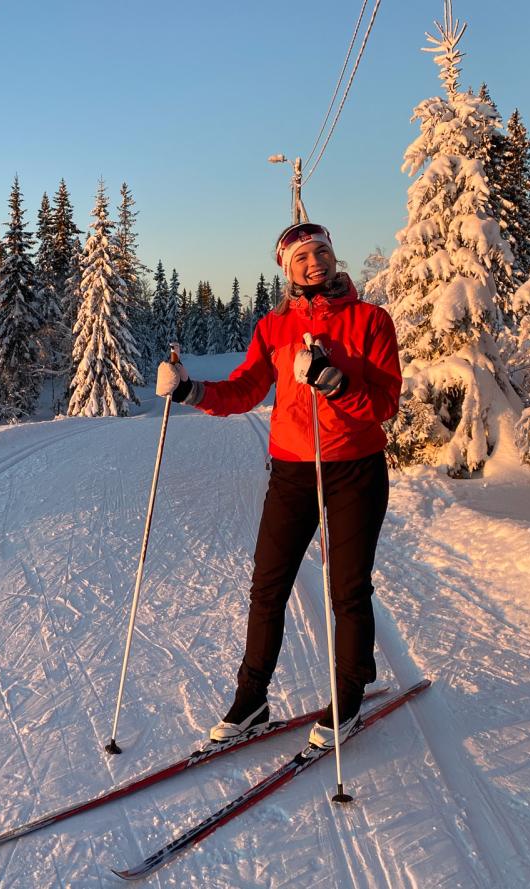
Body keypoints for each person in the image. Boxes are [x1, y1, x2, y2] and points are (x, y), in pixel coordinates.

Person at [156, 222, 402, 748]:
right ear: (287, 270)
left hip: (355, 469)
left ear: (335, 258)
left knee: (348, 591)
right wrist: (191, 390)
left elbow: (384, 405)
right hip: (292, 470)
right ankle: (252, 700)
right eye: (302, 258)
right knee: (268, 587)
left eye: (322, 252)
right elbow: (246, 389)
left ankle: (350, 694)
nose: (315, 263)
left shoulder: (370, 320)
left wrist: (337, 384)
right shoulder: (274, 327)